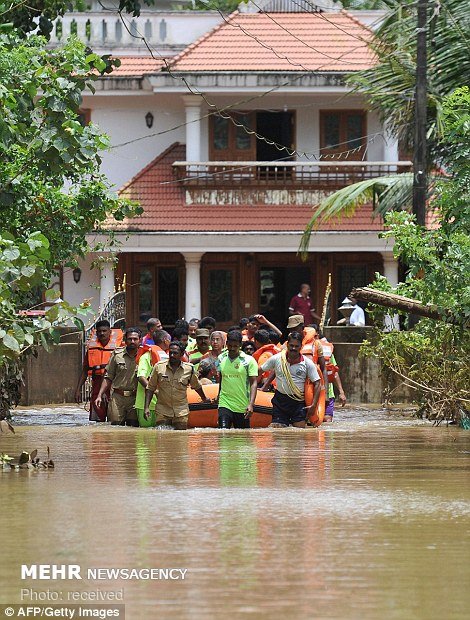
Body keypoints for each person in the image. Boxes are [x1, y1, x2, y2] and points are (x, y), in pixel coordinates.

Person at [144, 340, 210, 430]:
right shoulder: (159, 367)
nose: (172, 355)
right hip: (162, 411)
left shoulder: (189, 369)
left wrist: (204, 398)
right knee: (162, 439)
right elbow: (150, 388)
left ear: (182, 354)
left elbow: (196, 386)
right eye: (170, 353)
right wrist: (146, 407)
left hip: (181, 412)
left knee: (180, 439)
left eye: (175, 353)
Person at [260, 332, 321, 428]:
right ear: (287, 344)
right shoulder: (277, 359)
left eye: (297, 346)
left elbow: (317, 383)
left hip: (298, 402)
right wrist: (260, 387)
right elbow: (259, 371)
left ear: (301, 346)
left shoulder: (307, 363)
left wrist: (313, 405)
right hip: (280, 401)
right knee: (277, 431)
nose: (293, 348)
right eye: (291, 345)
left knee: (299, 434)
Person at [74, 320, 122, 422]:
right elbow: (85, 370)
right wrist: (78, 390)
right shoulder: (91, 349)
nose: (102, 333)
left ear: (110, 332)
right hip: (96, 387)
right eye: (99, 331)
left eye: (104, 331)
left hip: (114, 389)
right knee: (97, 421)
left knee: (115, 420)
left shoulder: (119, 349)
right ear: (96, 333)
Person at [95, 327, 141, 426]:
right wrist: (99, 395)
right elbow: (108, 376)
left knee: (133, 428)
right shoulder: (117, 355)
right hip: (117, 397)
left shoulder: (144, 356)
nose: (132, 341)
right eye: (130, 339)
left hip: (135, 398)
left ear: (139, 340)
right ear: (125, 340)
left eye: (135, 339)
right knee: (115, 429)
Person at [217, 330, 258, 429]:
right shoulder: (221, 358)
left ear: (240, 345)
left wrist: (251, 404)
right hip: (225, 402)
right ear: (226, 344)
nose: (232, 348)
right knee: (223, 432)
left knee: (242, 439)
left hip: (242, 405)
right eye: (230, 345)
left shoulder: (249, 361)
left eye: (235, 346)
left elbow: (253, 383)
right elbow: (222, 377)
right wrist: (219, 394)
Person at [135, 349, 158, 426]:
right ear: (166, 341)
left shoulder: (168, 355)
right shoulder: (146, 357)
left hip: (161, 405)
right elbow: (141, 377)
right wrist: (155, 391)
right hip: (145, 404)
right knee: (145, 435)